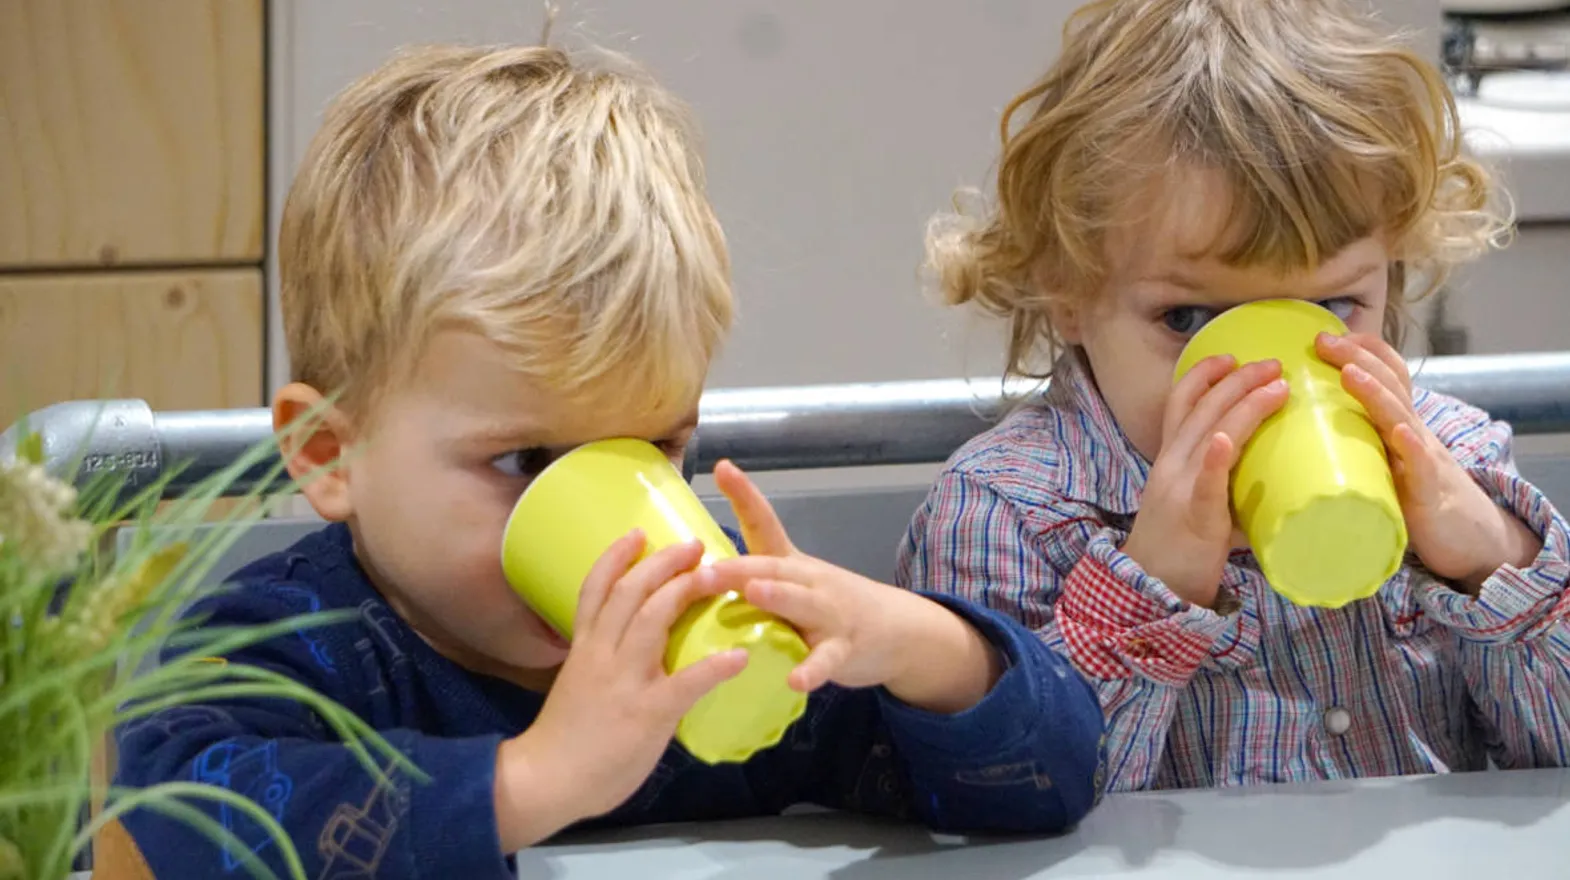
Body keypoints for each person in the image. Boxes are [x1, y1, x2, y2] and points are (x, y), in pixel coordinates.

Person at [105, 38, 1105, 880]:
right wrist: (527, 782)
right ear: (332, 453)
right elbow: (146, 840)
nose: (611, 538)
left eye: (651, 448)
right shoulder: (294, 647)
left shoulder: (709, 632)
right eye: (526, 460)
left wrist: (928, 650)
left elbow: (1047, 788)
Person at [898, 0, 1570, 793]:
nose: (1272, 386)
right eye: (1188, 320)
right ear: (1066, 293)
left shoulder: (1457, 461)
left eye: (1332, 307)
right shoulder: (1005, 513)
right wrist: (1149, 591)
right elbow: (998, 800)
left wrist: (1494, 565)